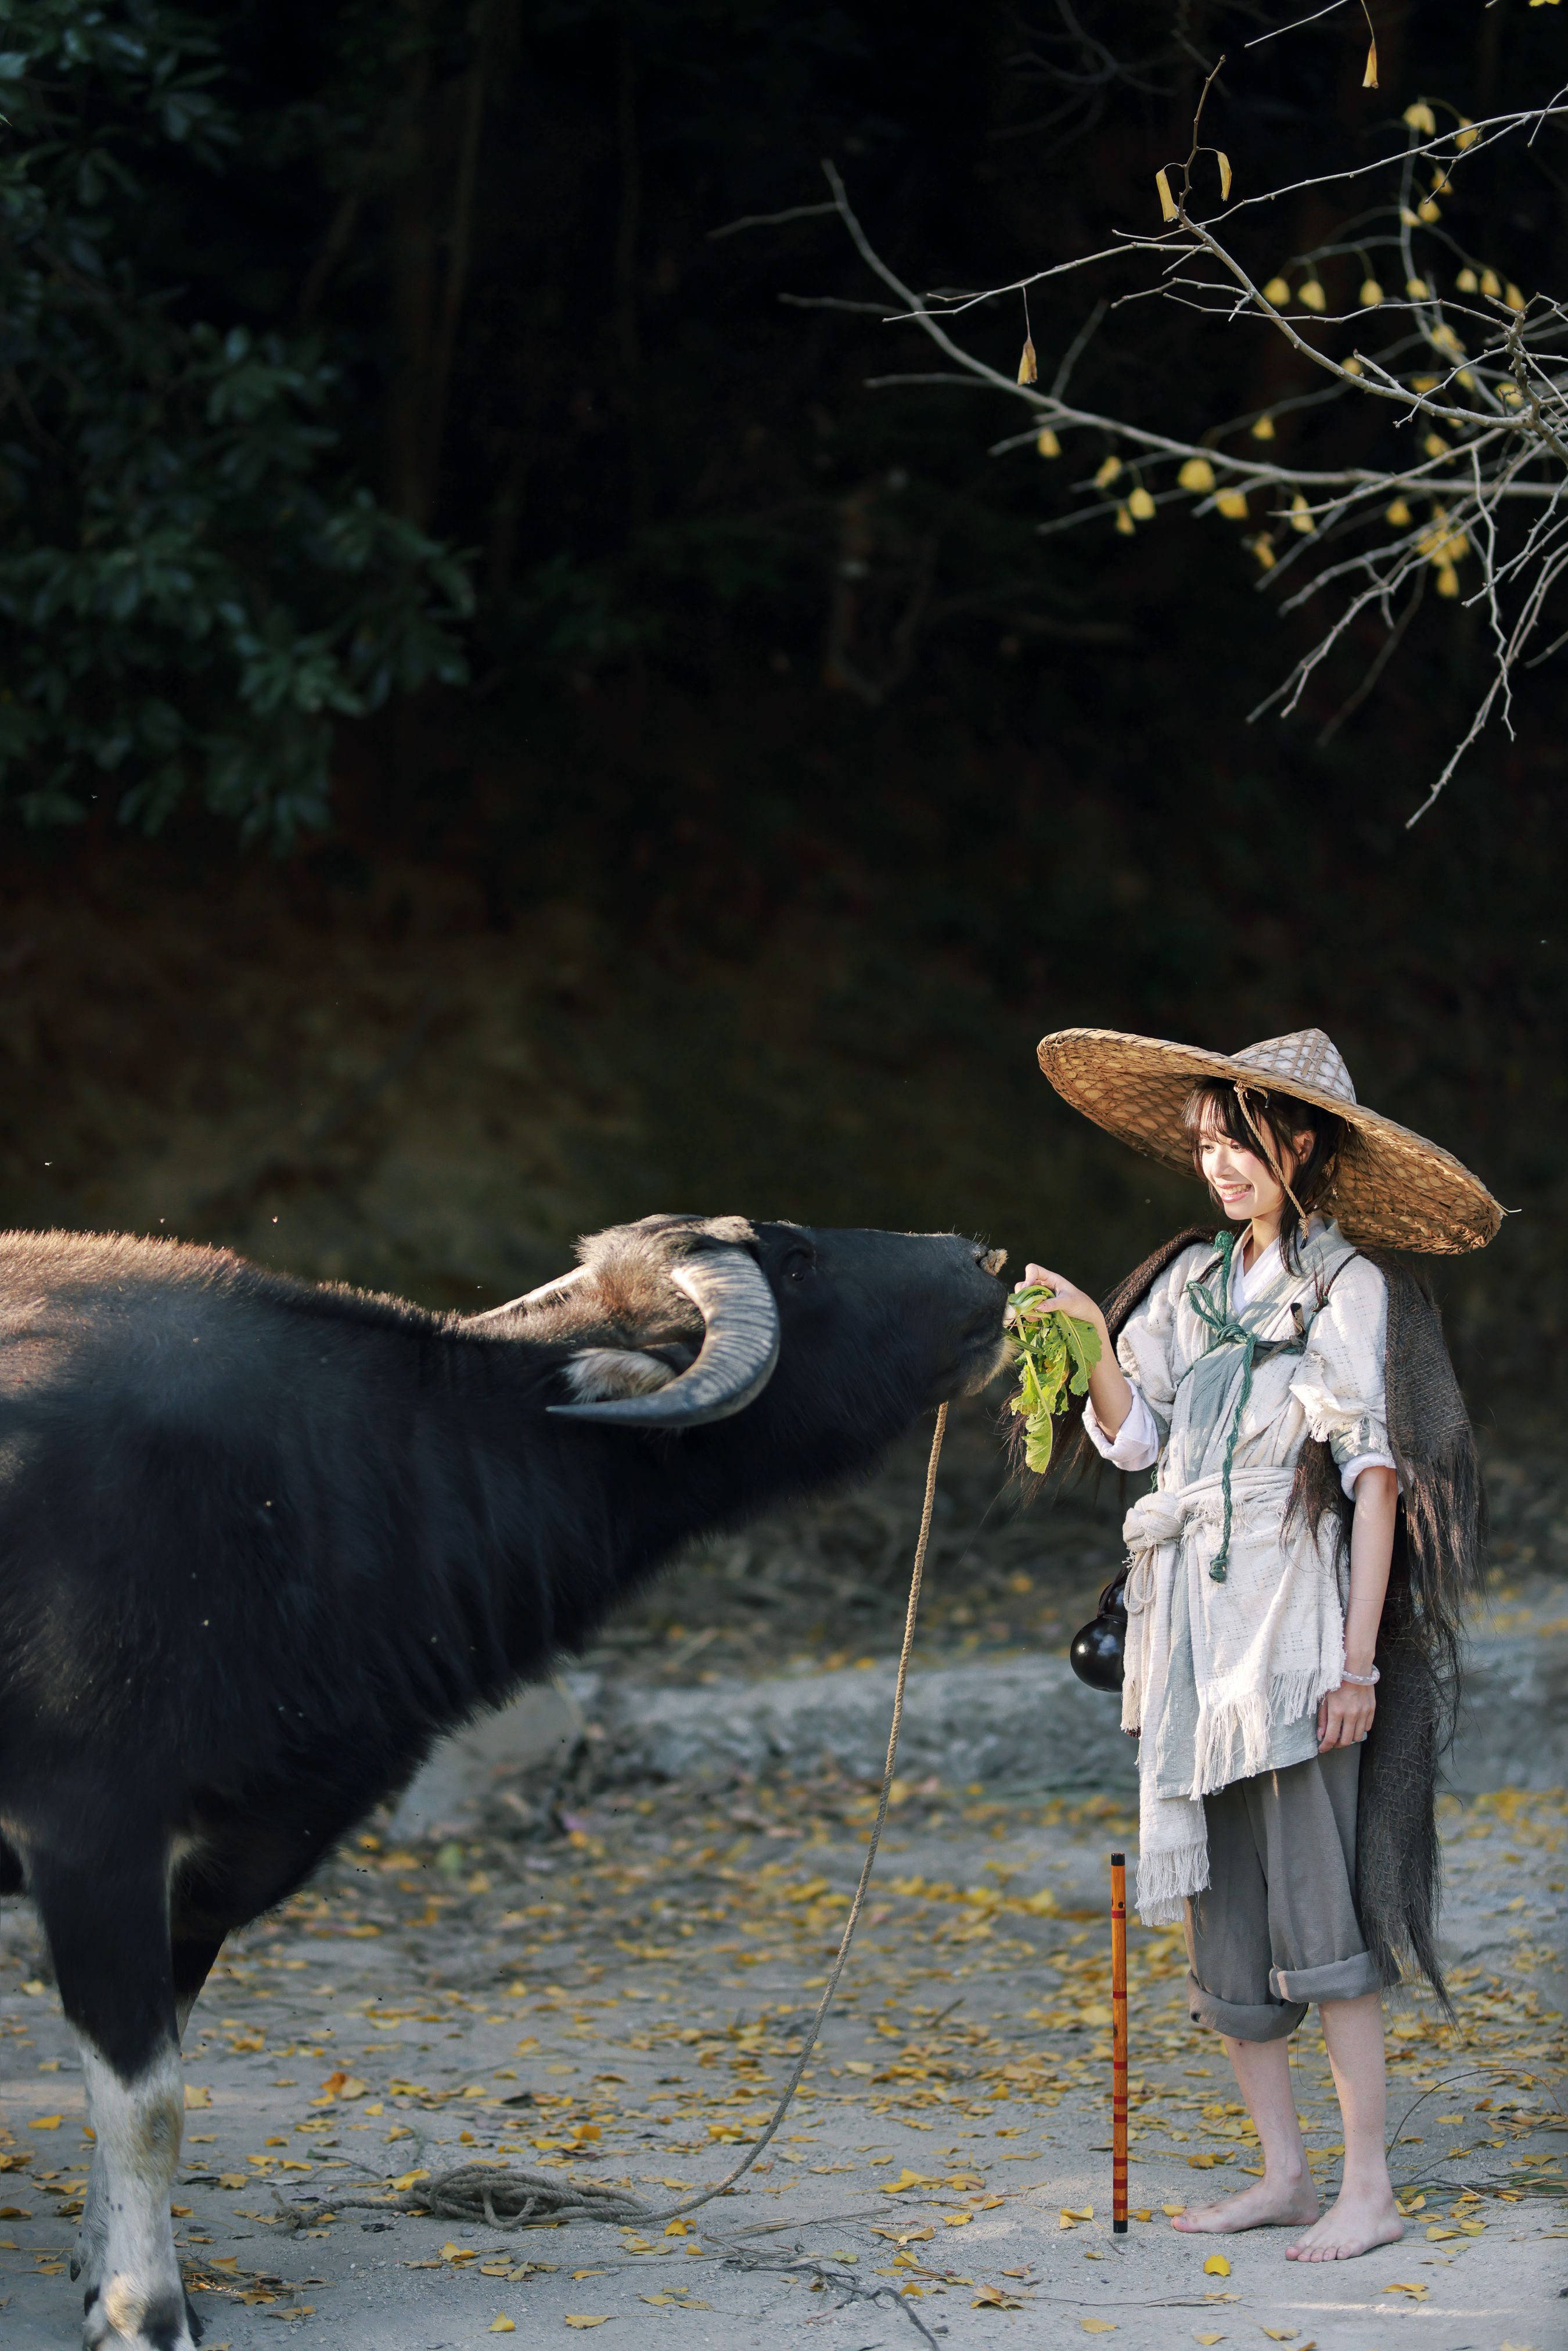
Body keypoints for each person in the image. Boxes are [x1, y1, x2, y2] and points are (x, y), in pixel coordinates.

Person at [1024, 1027, 1499, 2261]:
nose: (1218, 1163)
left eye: (1237, 1138)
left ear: (1300, 1142)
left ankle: (1370, 2185)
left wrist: (1356, 1664)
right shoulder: (1190, 1283)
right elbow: (1135, 1440)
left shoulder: (1347, 1287)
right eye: (1202, 1143)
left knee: (1320, 1916)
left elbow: (1375, 1477)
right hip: (1191, 1640)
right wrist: (1080, 1327)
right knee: (1225, 1923)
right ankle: (1285, 2172)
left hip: (1291, 1635)